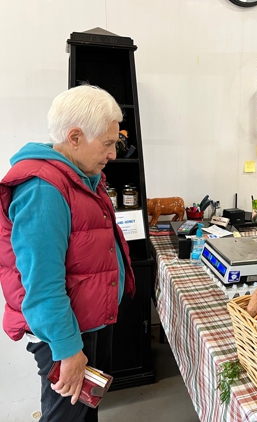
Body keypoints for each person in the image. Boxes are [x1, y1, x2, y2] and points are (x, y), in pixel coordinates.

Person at [0, 85, 135, 421]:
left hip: (88, 322)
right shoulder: (44, 190)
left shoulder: (82, 176)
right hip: (65, 334)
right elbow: (42, 284)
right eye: (107, 144)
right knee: (65, 417)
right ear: (75, 137)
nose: (113, 154)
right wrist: (68, 350)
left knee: (84, 411)